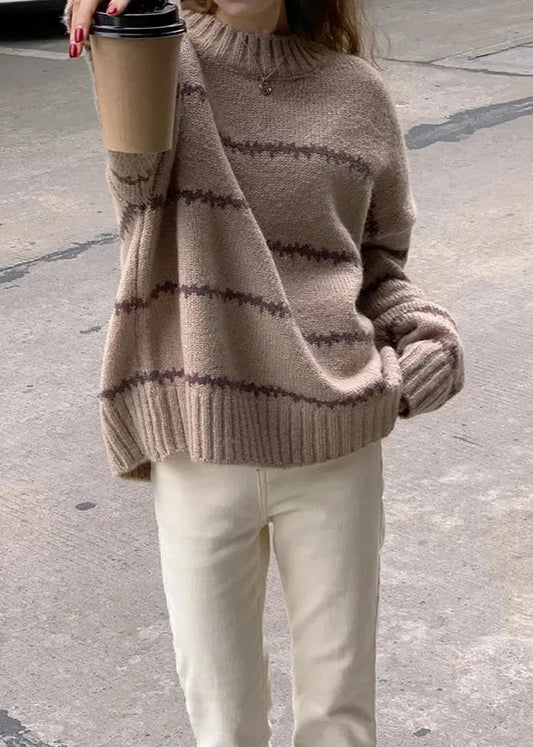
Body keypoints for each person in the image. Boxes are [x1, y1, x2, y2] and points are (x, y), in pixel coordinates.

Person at [63, 0, 465, 744]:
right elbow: (136, 180)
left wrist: (427, 337)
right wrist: (116, 18)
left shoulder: (356, 93)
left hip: (335, 443)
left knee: (340, 717)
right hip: (201, 444)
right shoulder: (160, 57)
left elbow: (378, 268)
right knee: (225, 724)